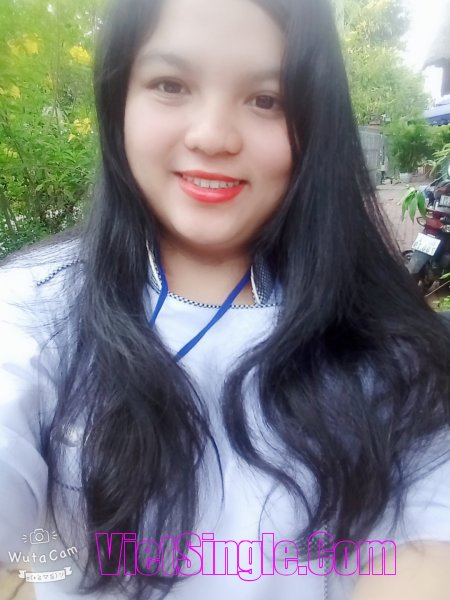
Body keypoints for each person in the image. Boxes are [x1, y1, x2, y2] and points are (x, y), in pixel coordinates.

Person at [1, 0, 450, 599]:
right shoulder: (34, 307)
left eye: (266, 99)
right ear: (118, 99)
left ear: (315, 122)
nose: (212, 137)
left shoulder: (390, 344)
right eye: (170, 85)